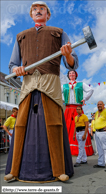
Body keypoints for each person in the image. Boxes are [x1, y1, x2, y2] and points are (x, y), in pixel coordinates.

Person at [4, 1, 79, 183]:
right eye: (35, 9)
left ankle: (59, 170)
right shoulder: (21, 36)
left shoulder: (59, 32)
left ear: (48, 14)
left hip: (50, 84)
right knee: (20, 125)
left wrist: (67, 54)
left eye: (42, 9)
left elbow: (73, 63)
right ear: (31, 14)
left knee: (54, 124)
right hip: (28, 84)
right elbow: (13, 64)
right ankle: (14, 170)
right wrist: (17, 70)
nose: (38, 11)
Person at [62, 70, 94, 156]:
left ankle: (82, 151)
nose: (71, 74)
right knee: (67, 127)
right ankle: (66, 149)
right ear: (68, 76)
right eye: (70, 73)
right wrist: (62, 100)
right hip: (68, 108)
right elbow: (57, 92)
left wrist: (85, 99)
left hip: (78, 108)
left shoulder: (81, 84)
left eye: (73, 73)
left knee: (81, 127)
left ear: (76, 75)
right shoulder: (64, 86)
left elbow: (90, 90)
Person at [93, 101, 106, 172]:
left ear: (103, 105)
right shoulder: (96, 112)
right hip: (97, 132)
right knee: (99, 149)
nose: (99, 105)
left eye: (100, 104)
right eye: (98, 104)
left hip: (103, 132)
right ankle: (101, 163)